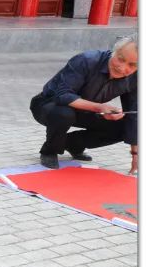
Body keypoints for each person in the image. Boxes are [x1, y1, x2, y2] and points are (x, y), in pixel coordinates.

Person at [30, 37, 138, 172]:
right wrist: (99, 107)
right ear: (114, 51)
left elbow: (134, 114)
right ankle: (49, 151)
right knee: (64, 113)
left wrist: (136, 154)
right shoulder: (86, 60)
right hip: (49, 105)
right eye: (120, 59)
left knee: (125, 126)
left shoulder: (137, 77)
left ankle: (72, 144)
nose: (122, 68)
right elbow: (63, 95)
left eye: (132, 65)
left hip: (85, 110)